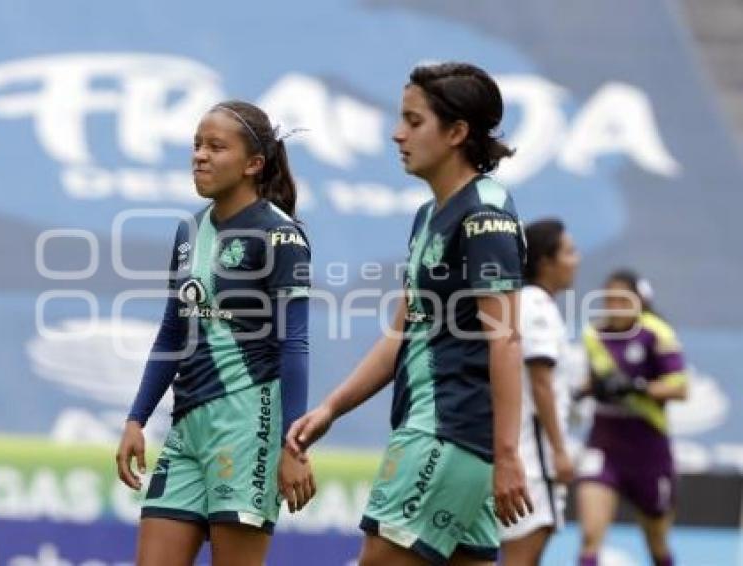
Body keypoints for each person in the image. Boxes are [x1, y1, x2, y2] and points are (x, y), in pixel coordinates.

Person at [287, 62, 531, 566]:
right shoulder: (429, 216)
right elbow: (403, 332)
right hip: (454, 443)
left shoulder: (485, 215)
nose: (397, 134)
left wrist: (508, 455)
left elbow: (505, 340)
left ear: (457, 132)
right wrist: (332, 407)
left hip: (445, 435)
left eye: (413, 121)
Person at [116, 100, 316, 566]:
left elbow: (296, 344)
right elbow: (172, 333)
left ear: (253, 164)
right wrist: (136, 419)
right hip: (188, 427)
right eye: (196, 145)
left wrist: (293, 445)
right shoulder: (189, 231)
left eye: (216, 147)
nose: (200, 156)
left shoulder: (280, 236)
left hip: (250, 425)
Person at [576, 270, 688, 566]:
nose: (614, 305)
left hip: (649, 448)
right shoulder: (593, 335)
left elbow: (680, 388)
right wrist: (588, 390)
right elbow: (588, 382)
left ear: (640, 301)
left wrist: (637, 388)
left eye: (622, 299)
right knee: (590, 536)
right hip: (604, 445)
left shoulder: (657, 333)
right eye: (609, 299)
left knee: (657, 542)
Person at [498, 219, 579, 565]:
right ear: (546, 262)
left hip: (525, 453)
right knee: (524, 556)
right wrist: (560, 450)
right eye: (569, 251)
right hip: (533, 458)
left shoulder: (525, 303)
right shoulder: (536, 306)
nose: (577, 259)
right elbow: (541, 383)